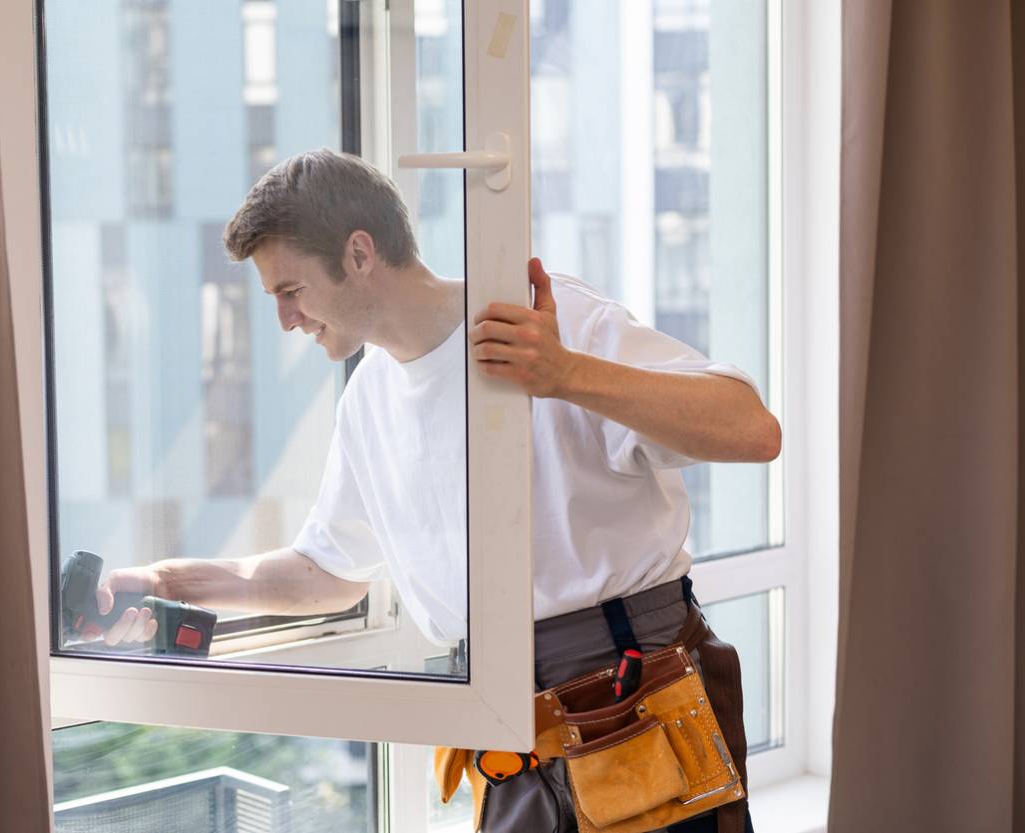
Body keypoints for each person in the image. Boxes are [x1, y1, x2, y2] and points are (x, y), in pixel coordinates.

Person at [96, 149, 778, 833]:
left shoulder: (540, 322)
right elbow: (324, 572)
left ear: (359, 254)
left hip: (638, 701)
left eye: (290, 290)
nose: (286, 319)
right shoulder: (369, 397)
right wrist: (166, 579)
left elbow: (753, 430)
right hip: (505, 733)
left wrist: (563, 372)